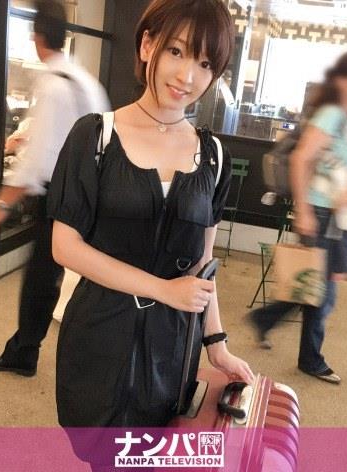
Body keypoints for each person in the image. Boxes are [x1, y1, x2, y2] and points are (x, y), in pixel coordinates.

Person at [48, 0, 253, 436]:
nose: (187, 76)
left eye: (204, 63)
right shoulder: (95, 136)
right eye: (176, 51)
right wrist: (163, 289)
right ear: (147, 46)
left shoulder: (213, 156)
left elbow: (202, 264)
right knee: (102, 451)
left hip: (171, 346)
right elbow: (65, 247)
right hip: (99, 332)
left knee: (156, 451)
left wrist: (217, 344)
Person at [0, 0, 110, 377]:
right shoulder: (86, 81)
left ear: (37, 37)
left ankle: (24, 353)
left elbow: (40, 157)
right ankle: (37, 350)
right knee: (74, 274)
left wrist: (1, 202)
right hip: (89, 192)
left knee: (41, 277)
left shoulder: (54, 85)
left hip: (59, 194)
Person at [248, 52, 347, 385]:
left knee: (313, 286)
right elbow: (301, 159)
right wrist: (303, 210)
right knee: (321, 293)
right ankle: (310, 359)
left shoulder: (343, 119)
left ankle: (264, 319)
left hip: (331, 215)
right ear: (343, 81)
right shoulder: (331, 114)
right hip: (319, 213)